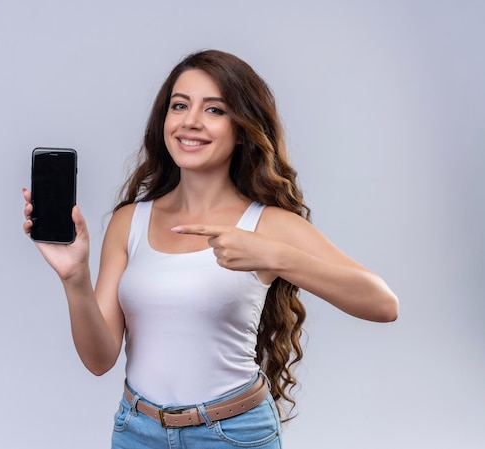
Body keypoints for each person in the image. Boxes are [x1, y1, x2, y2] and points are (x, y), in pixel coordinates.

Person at [22, 49, 399, 449]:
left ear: (242, 128)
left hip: (233, 434)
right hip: (137, 431)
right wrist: (74, 277)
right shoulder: (128, 222)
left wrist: (273, 256)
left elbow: (383, 304)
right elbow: (99, 360)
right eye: (179, 105)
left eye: (215, 110)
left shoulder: (268, 224)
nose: (191, 121)